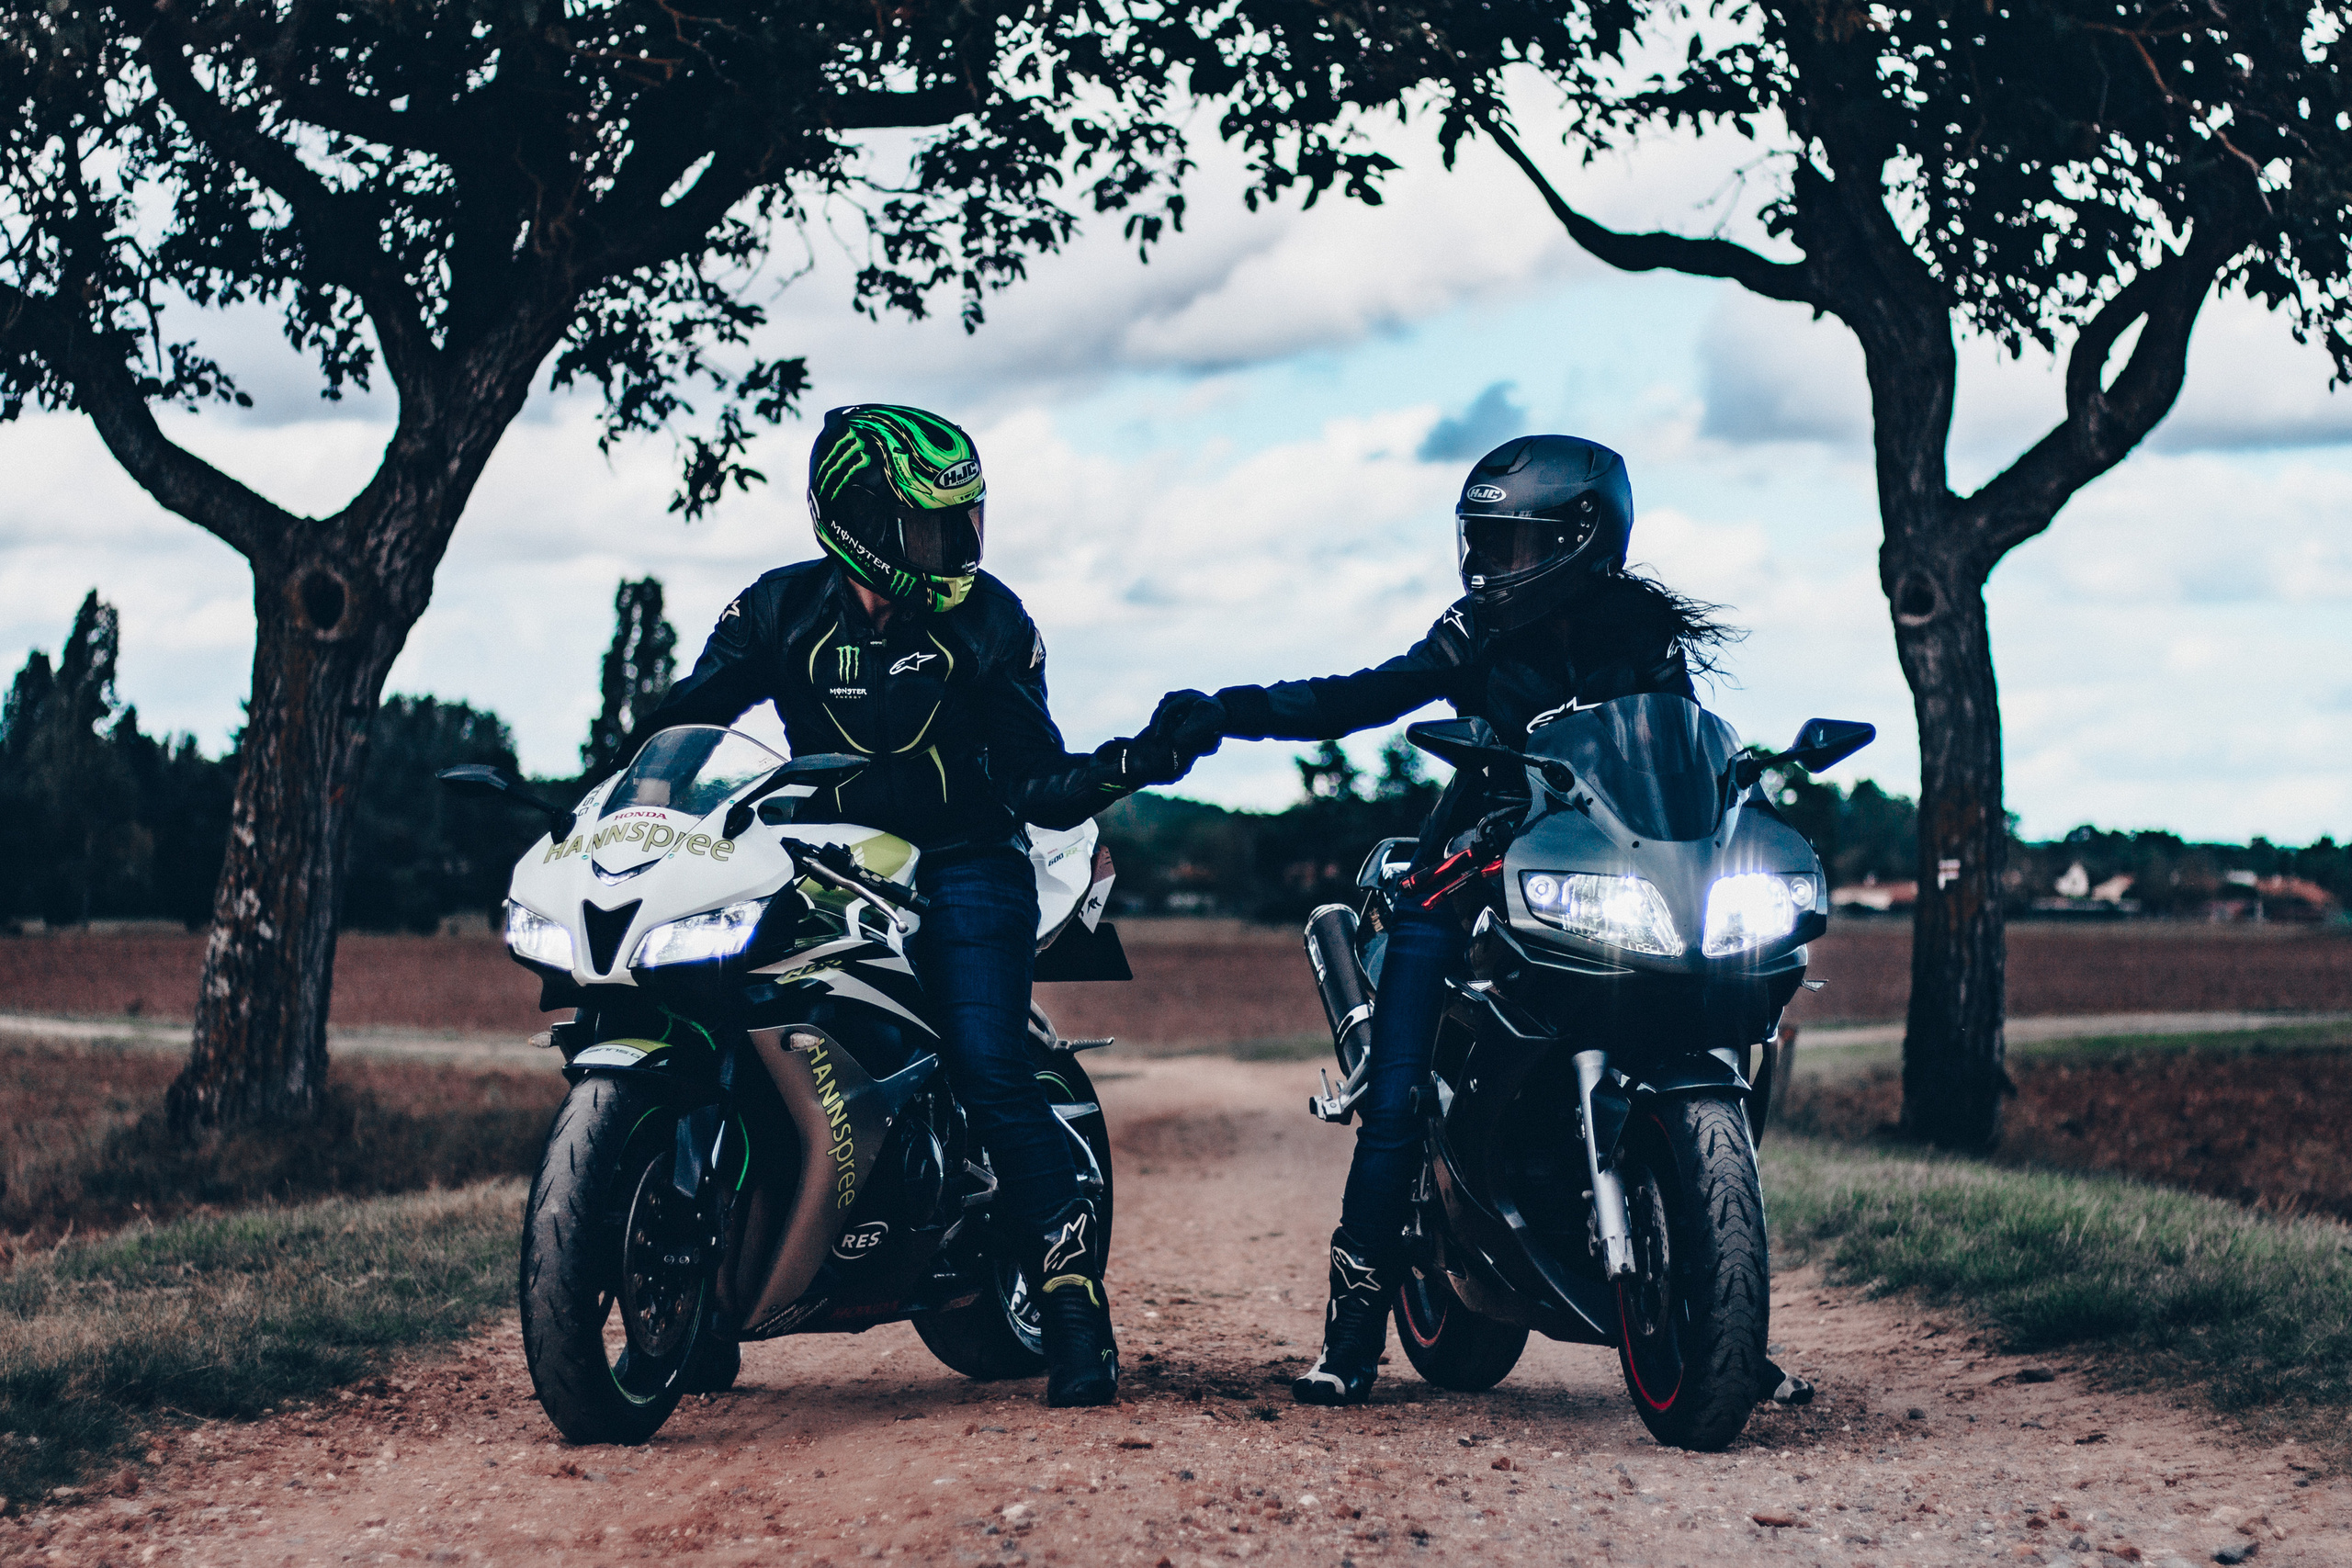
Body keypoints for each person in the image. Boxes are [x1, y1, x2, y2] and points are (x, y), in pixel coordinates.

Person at [1148, 434, 1740, 1405]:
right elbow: (1353, 699)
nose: (1489, 566)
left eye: (1513, 544)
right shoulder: (1472, 636)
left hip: (1604, 871)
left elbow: (1679, 754)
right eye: (1485, 543)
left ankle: (1725, 1322)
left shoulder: (1641, 635)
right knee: (1396, 1098)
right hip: (1469, 862)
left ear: (1581, 539)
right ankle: (1348, 1340)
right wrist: (1225, 712)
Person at [651, 403, 1207, 1406]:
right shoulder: (777, 611)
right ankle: (700, 1299)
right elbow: (684, 723)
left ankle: (1075, 1308)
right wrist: (618, 795)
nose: (956, 546)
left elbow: (1033, 776)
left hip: (965, 859)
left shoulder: (990, 621)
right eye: (930, 527)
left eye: (964, 522)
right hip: (814, 854)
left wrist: (1121, 768)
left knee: (989, 1063)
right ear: (858, 518)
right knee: (715, 1015)